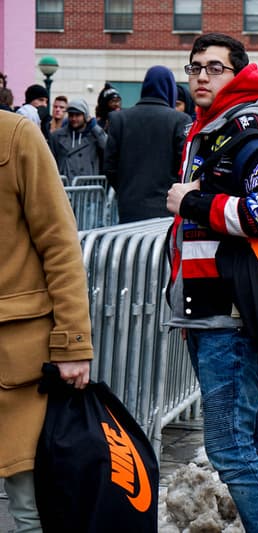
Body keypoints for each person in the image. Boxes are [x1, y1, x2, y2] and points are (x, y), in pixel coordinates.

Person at [165, 32, 258, 533]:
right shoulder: (207, 129)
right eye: (195, 66)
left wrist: (193, 202)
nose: (201, 75)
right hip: (207, 310)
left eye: (214, 68)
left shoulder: (249, 130)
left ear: (237, 74)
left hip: (229, 315)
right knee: (250, 433)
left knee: (228, 446)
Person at [0, 110, 93, 532]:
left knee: (30, 506)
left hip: (16, 358)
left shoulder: (15, 135)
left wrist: (72, 344)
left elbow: (60, 243)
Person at [104, 65, 191, 223]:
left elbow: (110, 166)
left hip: (129, 205)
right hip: (166, 207)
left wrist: (125, 189)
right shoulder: (180, 120)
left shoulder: (119, 119)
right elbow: (184, 165)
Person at [49, 98, 107, 179]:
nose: (73, 118)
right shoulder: (57, 136)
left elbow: (107, 147)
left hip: (89, 187)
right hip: (65, 186)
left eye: (77, 115)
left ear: (85, 116)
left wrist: (94, 127)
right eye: (71, 115)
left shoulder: (95, 136)